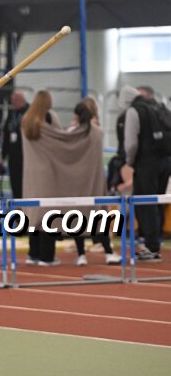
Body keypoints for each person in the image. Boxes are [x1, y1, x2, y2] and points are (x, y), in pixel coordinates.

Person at [69, 101, 121, 266]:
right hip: (95, 179)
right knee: (99, 216)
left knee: (78, 216)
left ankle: (81, 255)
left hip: (77, 180)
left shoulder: (72, 133)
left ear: (76, 116)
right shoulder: (98, 132)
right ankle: (108, 253)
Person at [122, 85, 171, 262]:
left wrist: (130, 161)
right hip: (165, 161)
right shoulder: (156, 106)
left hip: (146, 163)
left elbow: (131, 143)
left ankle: (151, 246)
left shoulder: (134, 111)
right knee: (157, 203)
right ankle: (154, 244)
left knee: (145, 203)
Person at [21, 90, 62, 265]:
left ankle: (33, 253)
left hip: (30, 172)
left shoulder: (26, 120)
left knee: (34, 213)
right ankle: (47, 256)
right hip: (47, 172)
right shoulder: (50, 118)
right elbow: (60, 140)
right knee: (49, 213)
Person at [0, 90, 28, 198]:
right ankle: (17, 203)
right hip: (13, 156)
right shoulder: (11, 114)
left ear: (21, 100)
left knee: (24, 182)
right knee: (14, 182)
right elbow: (6, 136)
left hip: (25, 155)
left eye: (14, 101)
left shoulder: (28, 113)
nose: (12, 103)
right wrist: (2, 156)